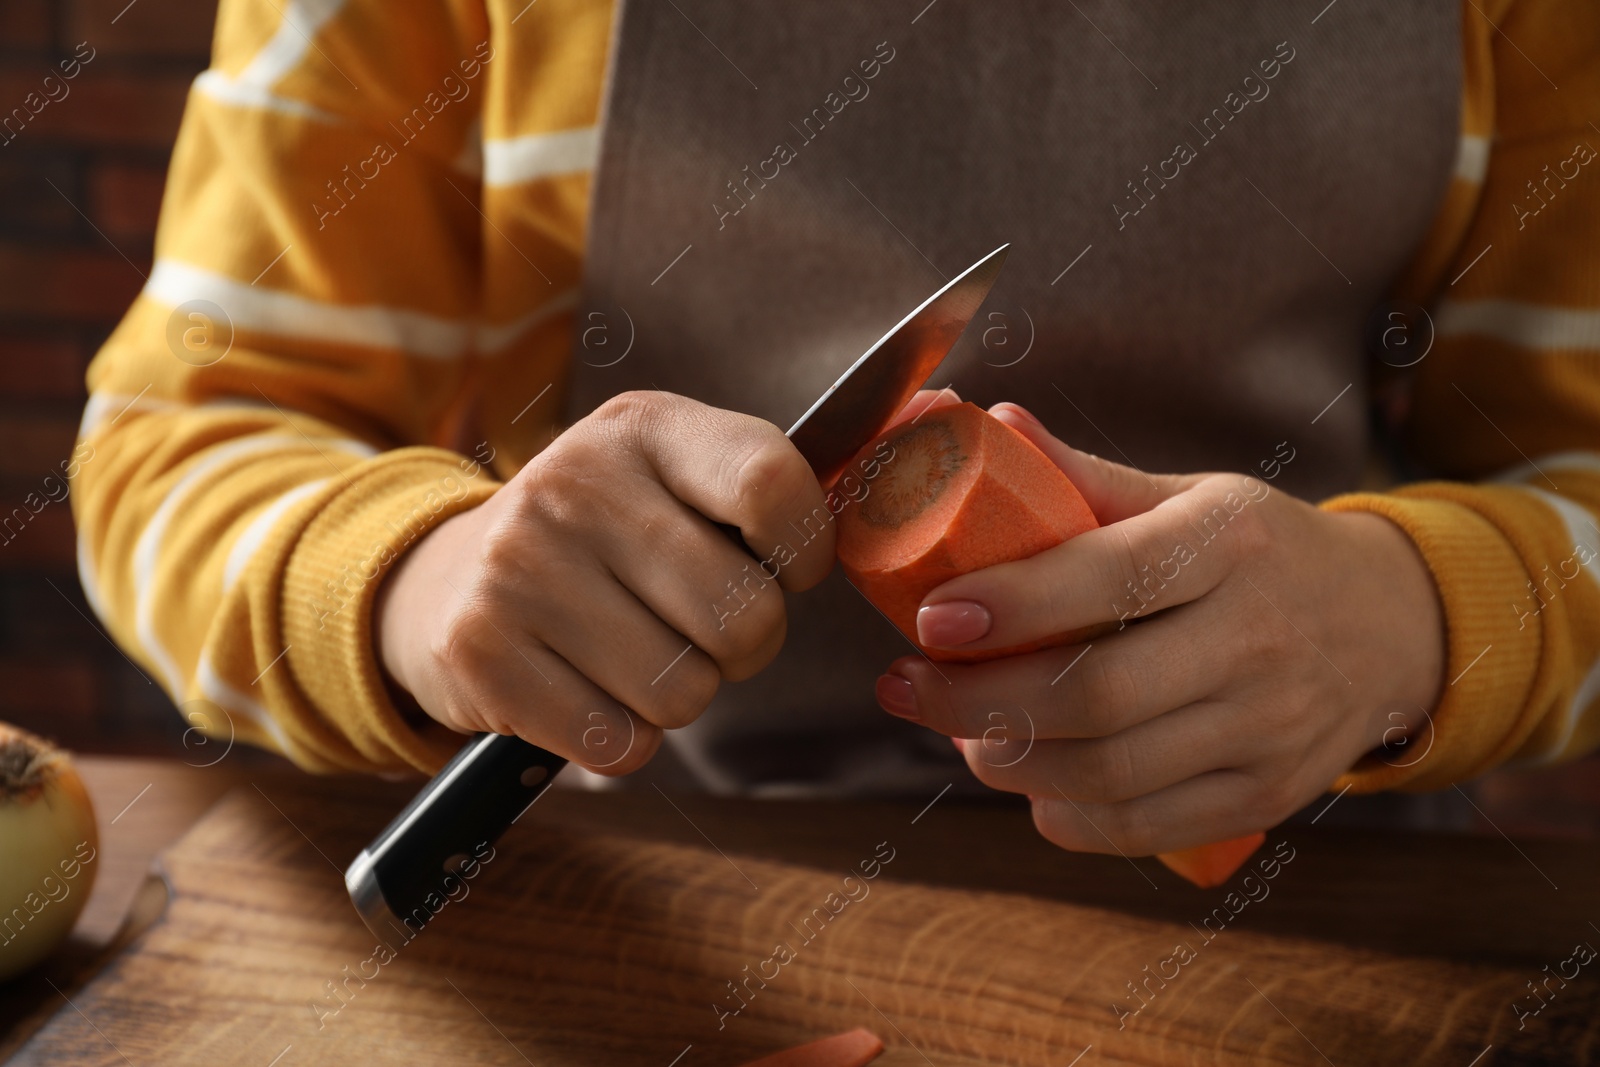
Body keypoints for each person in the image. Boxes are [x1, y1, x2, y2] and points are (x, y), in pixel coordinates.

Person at [72, 0, 1600, 856]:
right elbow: (177, 447)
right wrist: (413, 583)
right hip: (666, 897)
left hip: (1344, 895)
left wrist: (1413, 621)